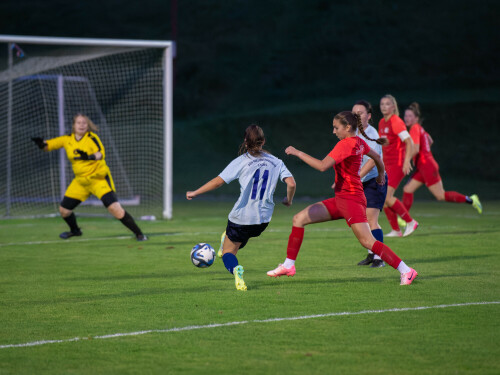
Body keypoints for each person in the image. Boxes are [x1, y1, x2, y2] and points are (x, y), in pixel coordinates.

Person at [267, 111, 418, 286]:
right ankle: (288, 265)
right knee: (299, 219)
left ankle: (406, 270)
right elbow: (377, 157)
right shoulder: (359, 142)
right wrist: (381, 175)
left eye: (336, 127)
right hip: (342, 199)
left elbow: (323, 166)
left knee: (368, 241)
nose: (333, 131)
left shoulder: (346, 144)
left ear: (347, 127)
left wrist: (297, 152)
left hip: (351, 200)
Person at [186, 124, 296, 291]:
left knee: (228, 253)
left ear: (245, 142)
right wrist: (288, 200)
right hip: (263, 221)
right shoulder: (277, 162)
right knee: (237, 239)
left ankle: (236, 270)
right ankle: (226, 240)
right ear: (263, 141)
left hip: (242, 217)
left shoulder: (242, 161)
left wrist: (195, 192)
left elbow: (218, 182)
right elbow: (291, 183)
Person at [31, 113, 147, 241]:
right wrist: (41, 144)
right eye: (79, 123)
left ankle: (139, 234)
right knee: (64, 211)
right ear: (74, 125)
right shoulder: (67, 139)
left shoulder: (92, 138)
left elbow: (101, 153)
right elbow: (49, 145)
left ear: (88, 125)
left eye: (84, 123)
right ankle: (75, 231)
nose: (81, 125)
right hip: (81, 181)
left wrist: (89, 157)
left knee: (115, 209)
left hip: (98, 179)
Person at [401, 102, 482, 214]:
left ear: (416, 118)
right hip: (425, 166)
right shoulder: (420, 129)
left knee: (440, 196)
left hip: (427, 166)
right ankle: (405, 219)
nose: (407, 118)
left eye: (410, 116)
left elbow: (415, 149)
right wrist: (424, 153)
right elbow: (430, 141)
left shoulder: (414, 128)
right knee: (407, 189)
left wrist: (406, 159)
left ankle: (471, 200)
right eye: (405, 115)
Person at [352, 100, 389, 268]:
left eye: (360, 113)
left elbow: (373, 161)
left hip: (375, 181)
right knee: (364, 221)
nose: (356, 116)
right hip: (362, 182)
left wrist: (357, 177)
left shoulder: (371, 133)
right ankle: (371, 254)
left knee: (372, 220)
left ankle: (379, 258)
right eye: (354, 113)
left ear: (368, 116)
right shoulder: (354, 133)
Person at [378, 94, 418, 237]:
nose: (384, 106)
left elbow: (409, 142)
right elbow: (387, 142)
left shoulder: (396, 121)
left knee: (387, 197)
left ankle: (410, 222)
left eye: (387, 104)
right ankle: (396, 230)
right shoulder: (382, 122)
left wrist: (407, 161)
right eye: (382, 104)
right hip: (387, 164)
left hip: (397, 163)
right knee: (382, 200)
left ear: (393, 107)